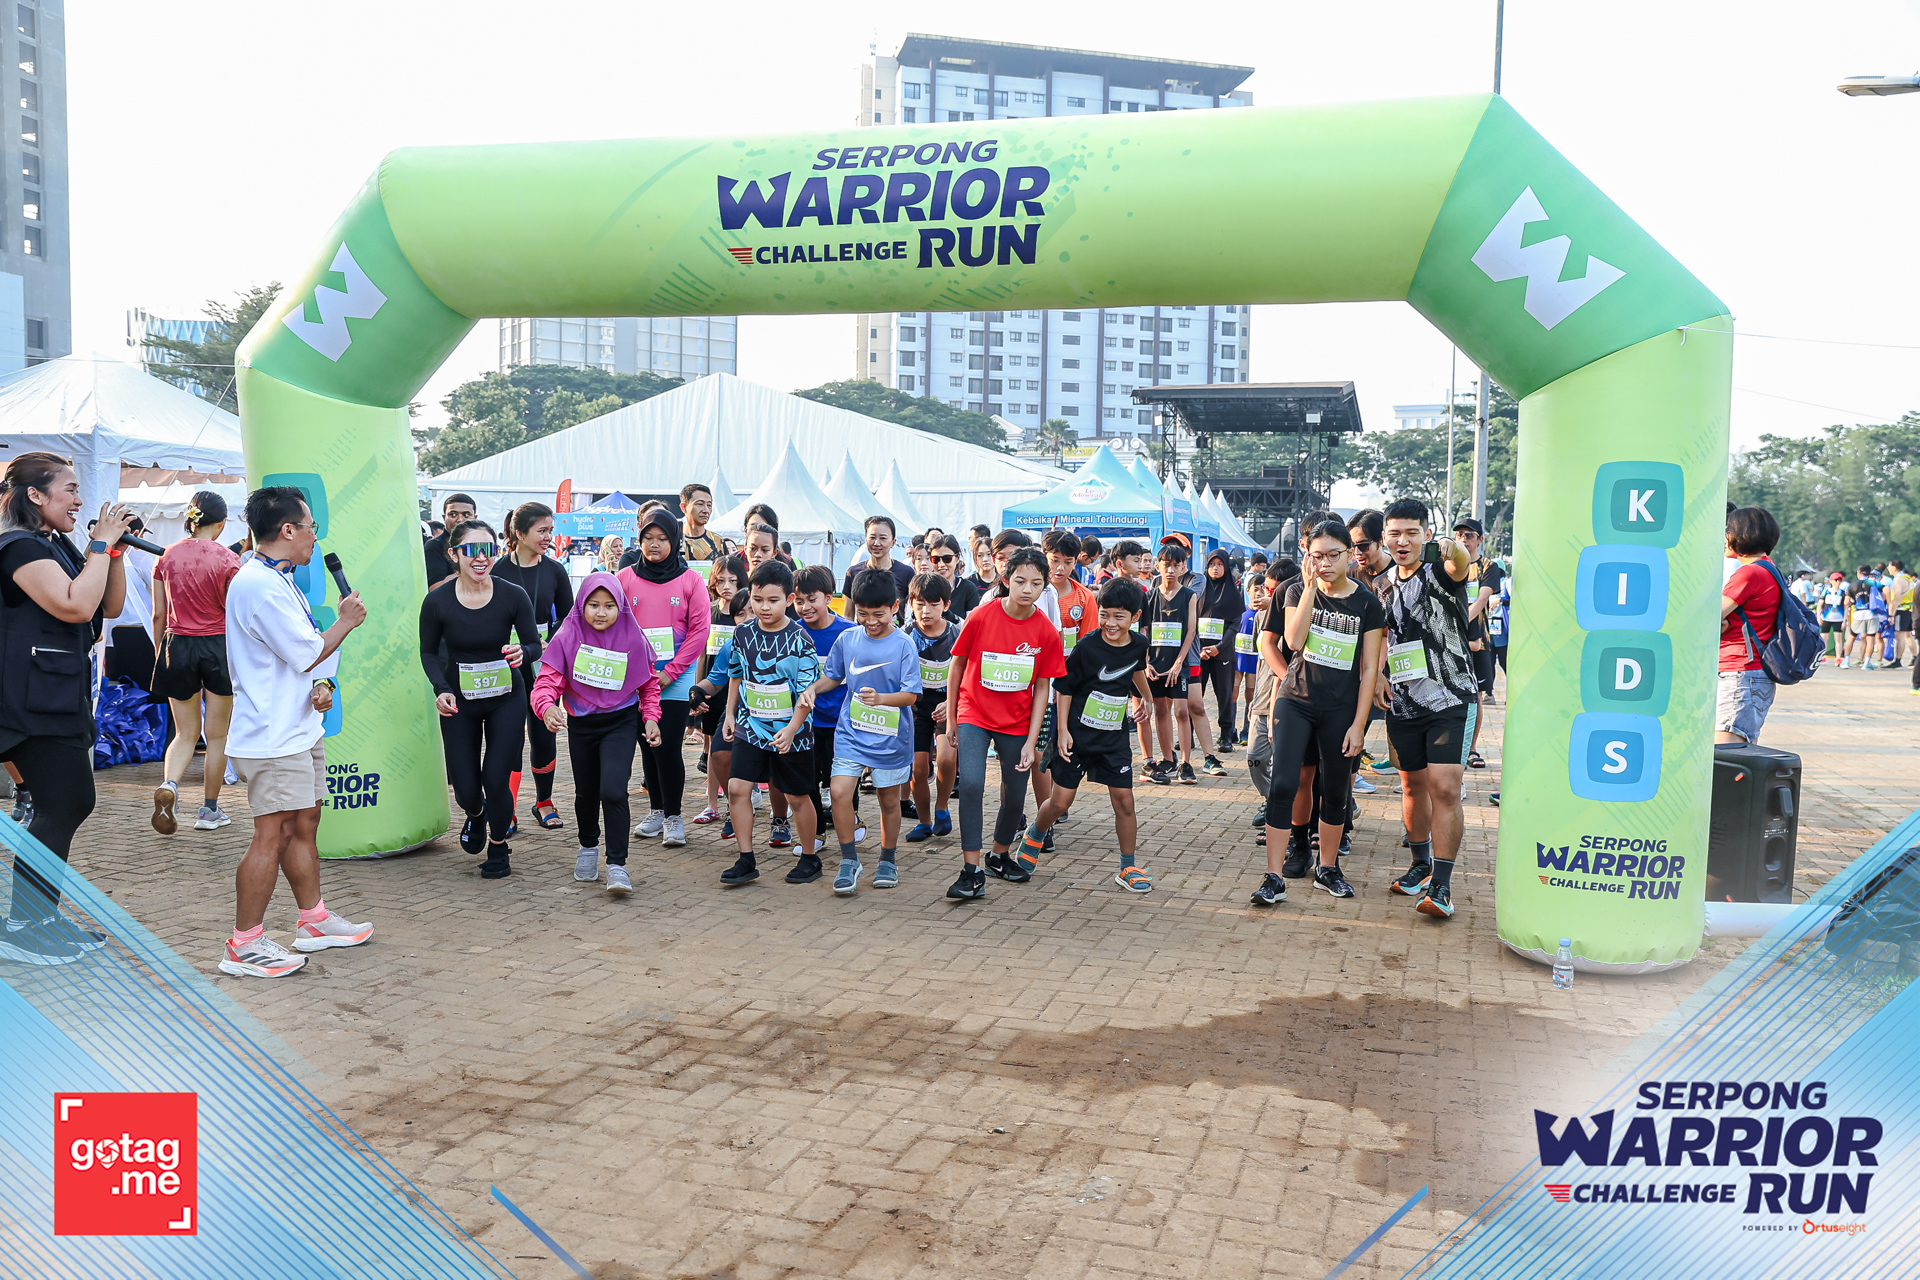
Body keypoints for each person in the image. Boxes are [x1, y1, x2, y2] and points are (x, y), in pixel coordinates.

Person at [220, 486, 374, 977]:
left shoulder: (276, 577)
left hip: (298, 727)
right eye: (310, 527)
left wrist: (323, 684)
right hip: (271, 735)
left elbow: (303, 654)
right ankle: (244, 944)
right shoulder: (258, 585)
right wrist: (346, 622)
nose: (314, 536)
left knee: (304, 822)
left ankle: (314, 920)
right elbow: (308, 652)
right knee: (274, 832)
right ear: (287, 529)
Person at [0, 453, 133, 964]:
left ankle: (38, 918)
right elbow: (74, 606)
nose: (79, 500)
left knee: (68, 803)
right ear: (35, 495)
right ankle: (25, 926)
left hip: (58, 696)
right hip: (28, 701)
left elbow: (107, 607)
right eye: (70, 489)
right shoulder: (18, 547)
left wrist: (112, 554)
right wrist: (98, 545)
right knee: (63, 803)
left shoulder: (56, 545)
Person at [1251, 520, 1386, 906]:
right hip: (1296, 702)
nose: (1325, 563)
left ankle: (1328, 868)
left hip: (1341, 709)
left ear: (1348, 554)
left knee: (1335, 790)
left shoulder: (1367, 602)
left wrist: (1358, 725)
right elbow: (1293, 641)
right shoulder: (1297, 590)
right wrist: (1311, 588)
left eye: (1333, 555)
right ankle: (1274, 877)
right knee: (1283, 785)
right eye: (1316, 556)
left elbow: (1369, 670)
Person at [420, 518, 541, 879]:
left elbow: (533, 643)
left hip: (506, 697)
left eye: (488, 549)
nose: (481, 557)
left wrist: (523, 652)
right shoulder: (437, 601)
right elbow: (428, 652)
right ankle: (476, 813)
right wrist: (441, 688)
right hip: (460, 700)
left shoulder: (512, 595)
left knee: (496, 777)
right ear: (454, 554)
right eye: (471, 550)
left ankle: (499, 846)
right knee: (466, 788)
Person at [941, 546, 1064, 900]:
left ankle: (999, 855)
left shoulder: (1046, 632)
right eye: (1020, 581)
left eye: (1036, 584)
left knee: (1015, 795)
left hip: (1017, 722)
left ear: (1044, 587)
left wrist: (1031, 740)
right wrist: (951, 717)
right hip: (974, 713)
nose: (1027, 589)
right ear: (1007, 580)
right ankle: (971, 871)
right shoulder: (982, 616)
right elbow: (957, 665)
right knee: (971, 784)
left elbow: (1043, 688)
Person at [1016, 578, 1155, 890]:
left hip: (1114, 739)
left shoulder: (1139, 645)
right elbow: (1064, 690)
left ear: (1135, 617)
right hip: (1077, 737)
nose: (1110, 623)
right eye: (1104, 614)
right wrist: (1063, 731)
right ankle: (1035, 834)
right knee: (1060, 802)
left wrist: (1146, 698)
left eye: (1119, 616)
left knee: (1125, 801)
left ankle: (1128, 867)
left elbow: (1136, 669)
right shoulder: (1087, 647)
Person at [1376, 498, 1477, 921]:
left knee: (1445, 787)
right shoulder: (1381, 583)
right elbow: (1381, 635)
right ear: (1385, 537)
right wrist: (1378, 674)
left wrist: (1455, 549)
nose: (1402, 541)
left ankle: (1442, 885)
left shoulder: (1439, 570)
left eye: (1411, 533)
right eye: (1394, 534)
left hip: (1451, 697)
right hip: (1403, 701)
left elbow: (1460, 564)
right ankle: (1420, 864)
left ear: (1426, 534)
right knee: (1412, 786)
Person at [532, 571, 662, 896]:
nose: (601, 613)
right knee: (586, 793)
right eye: (593, 605)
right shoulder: (567, 637)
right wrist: (547, 707)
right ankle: (588, 846)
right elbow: (546, 682)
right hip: (582, 725)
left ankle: (617, 864)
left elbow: (649, 685)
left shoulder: (633, 637)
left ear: (621, 606)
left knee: (614, 791)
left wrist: (650, 718)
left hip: (621, 722)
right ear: (581, 605)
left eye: (609, 605)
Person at [800, 568, 921, 894]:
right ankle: (849, 860)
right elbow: (833, 676)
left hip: (891, 737)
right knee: (839, 792)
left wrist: (882, 699)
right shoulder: (848, 639)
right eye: (863, 614)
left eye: (878, 614)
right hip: (851, 733)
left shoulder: (904, 644)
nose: (870, 621)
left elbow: (911, 694)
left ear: (895, 607)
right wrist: (813, 689)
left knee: (888, 800)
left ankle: (888, 859)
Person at [610, 507, 709, 849]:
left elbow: (699, 632)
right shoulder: (625, 578)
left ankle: (674, 817)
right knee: (647, 746)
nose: (654, 545)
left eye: (662, 538)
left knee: (666, 747)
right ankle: (655, 811)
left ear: (675, 541)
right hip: (637, 679)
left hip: (675, 678)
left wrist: (670, 672)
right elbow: (615, 625)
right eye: (648, 538)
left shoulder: (690, 580)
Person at [719, 560, 821, 886]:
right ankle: (746, 859)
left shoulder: (801, 639)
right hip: (750, 726)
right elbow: (736, 675)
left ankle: (810, 857)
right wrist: (730, 714)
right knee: (737, 788)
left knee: (796, 795)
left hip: (793, 731)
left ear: (789, 600)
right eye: (758, 599)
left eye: (773, 600)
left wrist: (791, 730)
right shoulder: (742, 633)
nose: (764, 607)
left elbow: (806, 694)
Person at [149, 490, 242, 836]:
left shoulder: (166, 556)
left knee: (185, 733)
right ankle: (209, 810)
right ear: (221, 524)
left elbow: (158, 614)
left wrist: (161, 651)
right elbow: (235, 614)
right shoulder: (229, 560)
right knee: (217, 736)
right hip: (218, 646)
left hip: (177, 645)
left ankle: (170, 785)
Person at [493, 501, 575, 833]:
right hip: (505, 663)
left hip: (543, 662)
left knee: (543, 734)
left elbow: (570, 617)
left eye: (550, 531)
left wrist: (548, 642)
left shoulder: (555, 571)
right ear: (519, 533)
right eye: (542, 531)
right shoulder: (497, 570)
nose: (548, 537)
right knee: (509, 738)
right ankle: (508, 808)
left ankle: (544, 802)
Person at [795, 565, 857, 846]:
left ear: (829, 598)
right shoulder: (793, 632)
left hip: (842, 722)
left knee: (841, 780)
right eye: (799, 601)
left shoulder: (850, 632)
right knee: (807, 778)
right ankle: (815, 832)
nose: (805, 607)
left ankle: (850, 822)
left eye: (812, 599)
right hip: (806, 721)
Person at [1719, 507, 1785, 744]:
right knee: (1744, 753)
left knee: (1726, 756)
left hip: (1739, 673)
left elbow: (1709, 619)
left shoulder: (1748, 574)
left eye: (1728, 530)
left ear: (1743, 533)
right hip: (1753, 674)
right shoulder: (1768, 568)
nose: (1724, 537)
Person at [903, 572, 958, 842]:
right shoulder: (905, 636)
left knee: (946, 759)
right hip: (915, 708)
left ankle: (942, 807)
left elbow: (968, 673)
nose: (926, 611)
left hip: (948, 705)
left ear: (946, 605)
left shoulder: (956, 634)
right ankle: (924, 822)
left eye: (934, 604)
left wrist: (951, 702)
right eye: (920, 604)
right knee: (918, 769)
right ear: (910, 604)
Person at [1144, 542, 1201, 785]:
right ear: (1157, 566)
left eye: (1176, 565)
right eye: (1166, 565)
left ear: (1183, 567)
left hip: (1179, 666)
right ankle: (1168, 759)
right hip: (1155, 666)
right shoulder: (1149, 596)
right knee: (1160, 710)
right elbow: (1144, 631)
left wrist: (1179, 662)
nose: (1170, 570)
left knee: (1181, 711)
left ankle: (1186, 763)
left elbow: (1191, 631)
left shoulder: (1189, 596)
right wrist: (1146, 661)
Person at [692, 561, 742, 826]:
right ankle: (712, 803)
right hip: (714, 686)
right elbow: (702, 654)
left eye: (732, 580)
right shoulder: (708, 612)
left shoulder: (748, 611)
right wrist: (698, 690)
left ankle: (744, 798)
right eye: (721, 580)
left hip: (741, 690)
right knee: (712, 745)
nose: (726, 586)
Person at [1451, 517, 1503, 768]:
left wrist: (1459, 626)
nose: (1464, 539)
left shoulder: (1488, 567)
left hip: (1477, 640)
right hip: (1447, 641)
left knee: (1476, 695)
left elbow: (1482, 600)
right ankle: (1449, 748)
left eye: (1469, 535)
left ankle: (1471, 749)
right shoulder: (1447, 565)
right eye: (1459, 534)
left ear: (1480, 540)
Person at [1196, 548, 1245, 767]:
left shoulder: (1233, 593)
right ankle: (1189, 734)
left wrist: (1219, 647)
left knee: (1225, 695)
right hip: (1198, 652)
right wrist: (1198, 648)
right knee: (1194, 694)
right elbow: (1191, 619)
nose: (1215, 568)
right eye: (1211, 564)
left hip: (1222, 652)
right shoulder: (1198, 590)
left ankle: (1226, 736)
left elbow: (1235, 625)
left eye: (1219, 564)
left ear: (1226, 567)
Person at [840, 516, 915, 618]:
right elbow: (848, 615)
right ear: (866, 540)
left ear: (893, 542)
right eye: (872, 538)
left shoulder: (906, 572)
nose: (876, 543)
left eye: (883, 538)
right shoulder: (853, 572)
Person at [422, 493, 476, 590]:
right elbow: (435, 588)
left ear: (475, 518)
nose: (460, 520)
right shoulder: (434, 546)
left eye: (466, 515)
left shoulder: (480, 544)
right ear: (444, 517)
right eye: (453, 514)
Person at [930, 533, 980, 619]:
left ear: (957, 558)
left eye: (947, 558)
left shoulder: (968, 588)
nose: (941, 564)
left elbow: (973, 622)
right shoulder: (925, 587)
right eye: (935, 559)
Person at [680, 482, 727, 569]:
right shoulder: (675, 541)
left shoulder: (718, 541)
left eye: (709, 505)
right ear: (683, 507)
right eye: (700, 504)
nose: (706, 510)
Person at [1819, 571, 1849, 662]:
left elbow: (1846, 607)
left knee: (1838, 639)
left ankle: (1838, 657)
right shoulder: (1826, 591)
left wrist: (1845, 621)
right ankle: (1821, 657)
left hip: (1838, 618)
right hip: (1826, 617)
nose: (1838, 582)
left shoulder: (1843, 593)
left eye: (1839, 580)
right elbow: (1820, 604)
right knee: (1824, 638)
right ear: (1831, 581)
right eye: (1836, 580)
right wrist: (1818, 617)